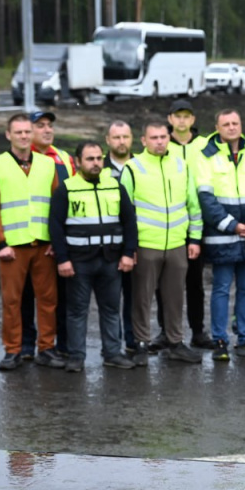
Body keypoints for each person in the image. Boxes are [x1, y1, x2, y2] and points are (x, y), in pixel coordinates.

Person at [194, 108, 245, 361]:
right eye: (226, 123)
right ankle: (220, 340)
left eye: (235, 123)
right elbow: (206, 199)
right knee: (220, 289)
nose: (231, 127)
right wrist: (233, 225)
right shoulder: (205, 157)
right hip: (223, 237)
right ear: (217, 127)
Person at [0, 113, 64, 370]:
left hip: (43, 245)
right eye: (18, 132)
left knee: (48, 300)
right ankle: (13, 350)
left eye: (27, 132)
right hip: (13, 248)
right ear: (9, 135)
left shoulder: (47, 164)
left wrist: (56, 241)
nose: (23, 136)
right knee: (12, 301)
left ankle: (47, 348)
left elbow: (55, 207)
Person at [48, 141, 137, 372]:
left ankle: (112, 353)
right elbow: (55, 227)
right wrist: (62, 259)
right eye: (90, 159)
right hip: (78, 262)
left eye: (98, 158)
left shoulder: (115, 186)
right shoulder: (66, 188)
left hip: (110, 259)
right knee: (77, 311)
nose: (95, 163)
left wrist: (128, 253)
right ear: (78, 162)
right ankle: (76, 356)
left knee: (110, 310)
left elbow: (129, 221)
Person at [122, 121, 204, 366]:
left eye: (163, 137)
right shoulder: (133, 168)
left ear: (169, 139)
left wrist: (195, 238)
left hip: (177, 243)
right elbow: (124, 212)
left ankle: (175, 342)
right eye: (154, 137)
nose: (159, 141)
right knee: (141, 298)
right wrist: (130, 247)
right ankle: (140, 344)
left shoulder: (181, 165)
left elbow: (193, 205)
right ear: (143, 141)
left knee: (175, 296)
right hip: (146, 245)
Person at [158, 98, 213, 350]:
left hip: (198, 223)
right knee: (165, 285)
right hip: (167, 224)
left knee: (194, 282)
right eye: (177, 116)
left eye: (186, 116)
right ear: (170, 119)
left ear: (193, 119)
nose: (182, 120)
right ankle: (164, 330)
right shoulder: (160, 144)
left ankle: (198, 330)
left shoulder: (205, 145)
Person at [20, 110, 75, 360]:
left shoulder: (64, 158)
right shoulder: (17, 159)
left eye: (49, 125)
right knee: (25, 297)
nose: (47, 129)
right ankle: (26, 345)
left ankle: (59, 345)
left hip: (59, 243)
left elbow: (74, 198)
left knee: (61, 298)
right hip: (27, 239)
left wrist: (61, 240)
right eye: (40, 125)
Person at [102, 120, 137, 354]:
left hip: (136, 242)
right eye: (116, 137)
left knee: (134, 298)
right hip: (107, 245)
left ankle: (134, 342)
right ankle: (112, 347)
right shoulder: (97, 168)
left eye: (125, 136)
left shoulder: (142, 166)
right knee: (110, 300)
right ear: (108, 140)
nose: (121, 141)